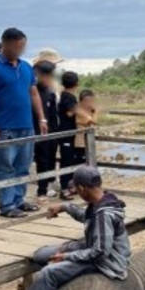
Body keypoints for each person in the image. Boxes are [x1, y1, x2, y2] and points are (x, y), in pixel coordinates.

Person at [4, 166, 131, 290]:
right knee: (41, 255)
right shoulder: (100, 201)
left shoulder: (104, 214)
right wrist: (65, 207)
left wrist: (67, 256)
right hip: (92, 247)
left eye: (76, 189)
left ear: (81, 188)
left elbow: (100, 252)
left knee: (48, 274)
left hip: (106, 261)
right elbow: (87, 219)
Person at [0, 28, 48, 218]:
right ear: (6, 43)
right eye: (17, 46)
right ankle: (6, 205)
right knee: (5, 167)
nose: (21, 49)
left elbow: (33, 93)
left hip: (26, 125)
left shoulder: (25, 67)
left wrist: (41, 117)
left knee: (23, 166)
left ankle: (18, 200)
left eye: (23, 46)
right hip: (4, 127)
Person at [33, 60, 60, 203]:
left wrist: (55, 133)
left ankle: (50, 184)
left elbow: (53, 115)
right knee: (42, 160)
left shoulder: (50, 93)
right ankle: (41, 191)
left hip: (51, 132)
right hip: (37, 132)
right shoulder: (32, 91)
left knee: (50, 158)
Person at [57, 71, 80, 201]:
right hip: (66, 133)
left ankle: (70, 186)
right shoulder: (68, 97)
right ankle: (64, 188)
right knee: (66, 160)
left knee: (70, 159)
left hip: (68, 133)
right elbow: (70, 113)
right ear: (77, 83)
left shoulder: (65, 95)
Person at [74, 89, 97, 165]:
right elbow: (93, 121)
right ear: (81, 102)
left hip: (88, 143)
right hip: (80, 143)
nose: (89, 104)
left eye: (91, 101)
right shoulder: (80, 112)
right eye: (87, 102)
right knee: (81, 165)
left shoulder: (88, 112)